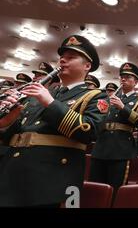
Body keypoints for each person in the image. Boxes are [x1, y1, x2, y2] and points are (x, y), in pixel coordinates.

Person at [0, 35, 108, 207]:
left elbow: (89, 132)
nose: (63, 60)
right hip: (12, 173)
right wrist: (5, 123)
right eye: (62, 57)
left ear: (87, 66)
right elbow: (16, 136)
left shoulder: (95, 96)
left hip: (51, 180)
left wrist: (49, 103)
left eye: (71, 57)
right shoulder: (39, 95)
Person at [90, 62, 138, 194]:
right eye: (122, 76)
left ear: (136, 82)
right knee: (95, 187)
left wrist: (123, 108)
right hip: (101, 146)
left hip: (121, 148)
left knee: (115, 189)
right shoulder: (109, 98)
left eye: (128, 77)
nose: (123, 79)